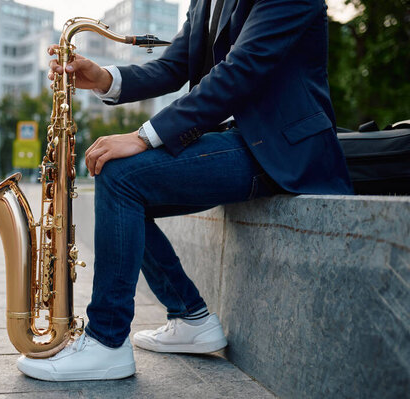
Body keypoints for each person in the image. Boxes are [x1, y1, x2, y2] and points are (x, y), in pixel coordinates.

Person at [17, 0, 354, 381]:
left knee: (122, 176)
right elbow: (172, 67)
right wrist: (104, 79)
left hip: (280, 148)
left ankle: (107, 342)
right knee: (123, 180)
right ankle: (189, 317)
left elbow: (241, 70)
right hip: (230, 141)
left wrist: (144, 137)